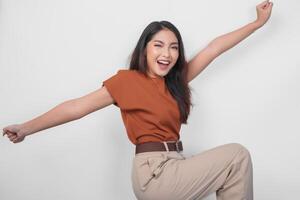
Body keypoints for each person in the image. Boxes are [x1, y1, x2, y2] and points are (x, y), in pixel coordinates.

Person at [3, 1, 273, 199]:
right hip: (155, 174)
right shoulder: (128, 82)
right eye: (159, 45)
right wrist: (26, 128)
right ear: (144, 49)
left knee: (232, 172)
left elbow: (214, 49)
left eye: (174, 47)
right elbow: (76, 107)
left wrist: (257, 23)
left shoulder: (175, 83)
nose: (167, 53)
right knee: (236, 156)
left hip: (175, 164)